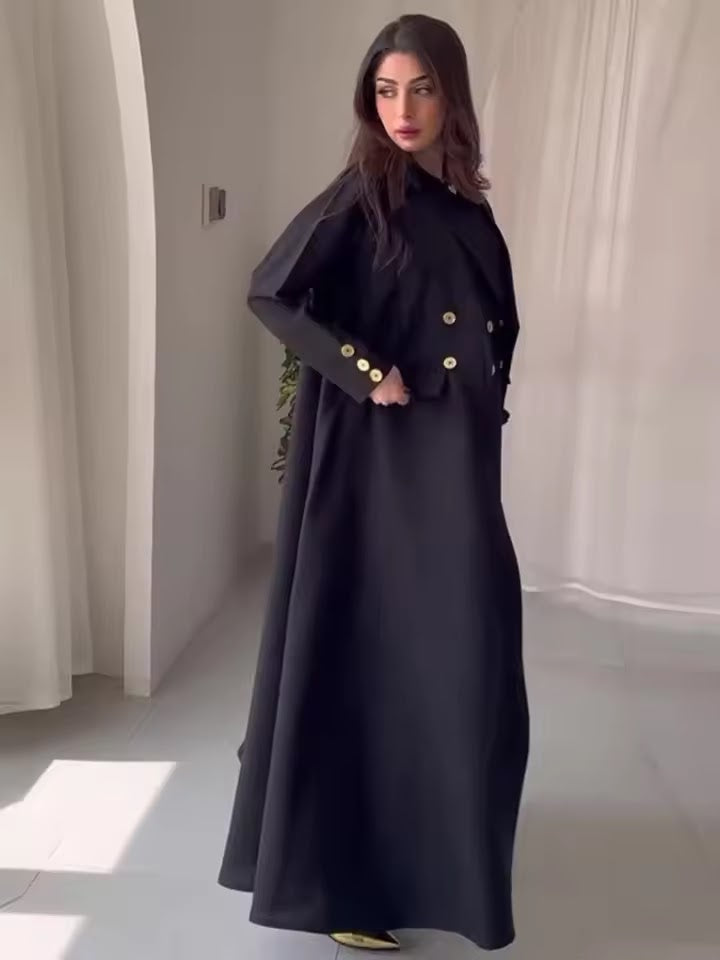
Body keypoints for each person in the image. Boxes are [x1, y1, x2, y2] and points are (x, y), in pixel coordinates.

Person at [218, 13, 530, 953]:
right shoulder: (364, 194)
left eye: (422, 88)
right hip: (378, 467)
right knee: (375, 648)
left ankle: (434, 863)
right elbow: (270, 291)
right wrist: (365, 370)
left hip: (453, 461)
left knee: (463, 656)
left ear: (452, 96)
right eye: (387, 90)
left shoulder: (459, 203)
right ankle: (343, 884)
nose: (404, 109)